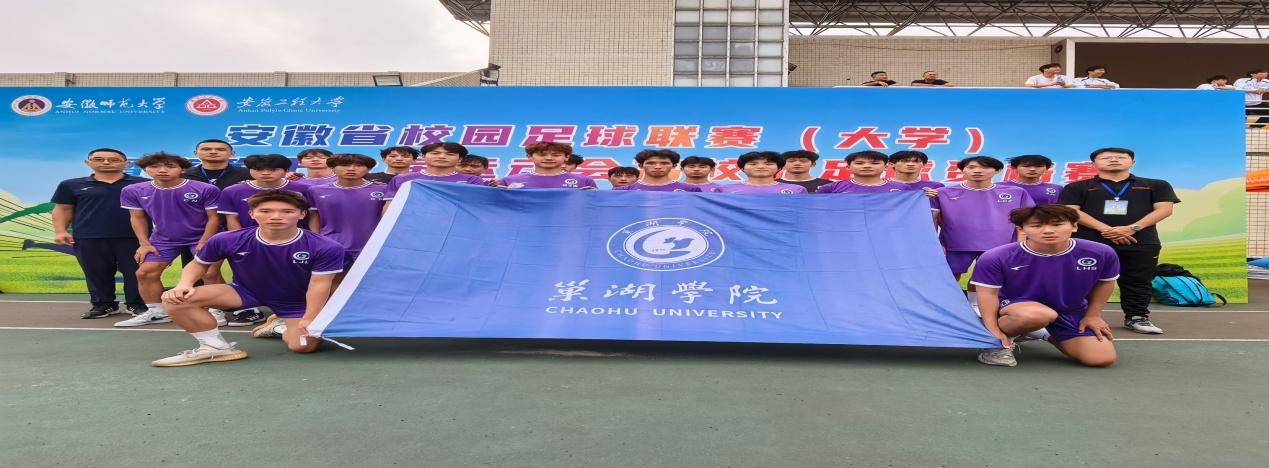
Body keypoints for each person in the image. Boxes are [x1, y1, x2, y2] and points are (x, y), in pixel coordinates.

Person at [152, 190, 345, 367]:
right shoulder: (226, 239)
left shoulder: (326, 246)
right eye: (266, 211)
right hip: (245, 291)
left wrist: (310, 317)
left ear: (302, 215)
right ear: (252, 214)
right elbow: (199, 264)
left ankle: (280, 327)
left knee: (303, 347)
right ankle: (215, 347)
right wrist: (184, 284)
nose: (276, 217)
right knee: (177, 299)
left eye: (287, 212)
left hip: (297, 301)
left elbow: (319, 285)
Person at [971, 205, 1120, 367]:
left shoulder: (1101, 252)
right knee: (1037, 315)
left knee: (1101, 358)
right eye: (1036, 225)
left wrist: (1093, 316)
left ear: (1074, 226)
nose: (1048, 231)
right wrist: (993, 331)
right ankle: (1000, 343)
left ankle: (1040, 332)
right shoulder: (997, 256)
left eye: (1057, 224)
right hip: (1017, 309)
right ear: (1021, 229)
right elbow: (988, 295)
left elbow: (1105, 282)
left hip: (1070, 311)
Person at [1058, 147, 1180, 334]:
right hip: (1091, 242)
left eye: (1121, 157)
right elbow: (1071, 212)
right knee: (1084, 280)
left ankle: (1137, 317)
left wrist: (1133, 228)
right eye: (1106, 158)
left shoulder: (1156, 185)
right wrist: (1106, 229)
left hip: (1140, 241)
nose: (1113, 160)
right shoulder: (1077, 187)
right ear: (1093, 164)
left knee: (1138, 280)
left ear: (1132, 162)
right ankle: (1079, 316)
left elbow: (1164, 210)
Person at [115, 153, 222, 327]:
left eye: (170, 166)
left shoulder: (206, 188)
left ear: (183, 169)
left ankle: (216, 310)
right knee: (144, 273)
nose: (162, 170)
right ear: (145, 169)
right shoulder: (133, 190)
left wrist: (204, 242)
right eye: (155, 166)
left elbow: (214, 217)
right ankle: (157, 312)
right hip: (164, 239)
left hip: (203, 236)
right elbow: (137, 218)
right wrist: (144, 244)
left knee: (210, 273)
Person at [51, 149, 150, 318]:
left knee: (137, 272)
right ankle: (104, 304)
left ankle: (137, 304)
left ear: (127, 164)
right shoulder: (71, 185)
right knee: (96, 272)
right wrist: (60, 231)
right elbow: (63, 209)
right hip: (89, 236)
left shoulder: (144, 184)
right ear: (88, 162)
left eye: (113, 160)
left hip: (135, 238)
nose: (106, 162)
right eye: (99, 159)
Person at [932, 156, 1035, 309]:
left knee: (985, 278)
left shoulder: (1016, 192)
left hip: (1000, 244)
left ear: (998, 170)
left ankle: (976, 306)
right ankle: (947, 307)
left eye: (985, 167)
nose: (978, 171)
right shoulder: (942, 192)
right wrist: (934, 242)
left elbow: (1024, 220)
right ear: (963, 170)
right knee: (950, 276)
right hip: (955, 243)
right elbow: (933, 218)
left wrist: (1021, 243)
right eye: (971, 167)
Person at [306, 154, 385, 289]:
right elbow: (314, 216)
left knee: (373, 284)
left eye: (359, 165)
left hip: (372, 245)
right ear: (332, 168)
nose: (351, 169)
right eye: (344, 165)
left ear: (368, 169)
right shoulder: (316, 190)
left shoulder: (383, 189)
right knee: (334, 284)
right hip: (333, 244)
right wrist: (318, 240)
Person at [218, 154, 309, 231]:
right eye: (259, 169)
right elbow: (232, 218)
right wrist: (239, 239)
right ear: (249, 170)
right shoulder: (231, 191)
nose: (266, 173)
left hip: (297, 237)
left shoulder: (305, 189)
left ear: (287, 170)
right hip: (249, 240)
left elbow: (312, 215)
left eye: (273, 170)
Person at [382, 142, 487, 209]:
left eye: (450, 154)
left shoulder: (472, 180)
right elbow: (390, 207)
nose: (442, 157)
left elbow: (475, 207)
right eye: (435, 153)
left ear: (460, 159)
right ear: (424, 156)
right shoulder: (401, 179)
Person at [499, 142, 598, 190]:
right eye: (542, 155)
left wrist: (595, 195)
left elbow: (595, 207)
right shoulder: (509, 181)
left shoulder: (584, 181)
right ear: (529, 156)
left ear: (566, 157)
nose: (549, 158)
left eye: (556, 155)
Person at [817, 151, 913, 193]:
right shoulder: (831, 188)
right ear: (848, 167)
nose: (867, 166)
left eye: (875, 163)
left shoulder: (902, 188)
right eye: (859, 163)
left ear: (885, 167)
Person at [716, 152, 808, 194]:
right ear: (742, 168)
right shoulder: (723, 190)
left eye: (768, 164)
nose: (760, 167)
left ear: (779, 168)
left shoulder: (797, 190)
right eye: (753, 164)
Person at [614, 150, 701, 192]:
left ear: (674, 166)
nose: (658, 167)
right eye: (651, 163)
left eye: (664, 163)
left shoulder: (691, 189)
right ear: (641, 165)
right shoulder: (622, 191)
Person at [181, 139, 252, 189]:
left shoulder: (248, 174)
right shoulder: (183, 175)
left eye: (220, 150)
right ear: (195, 153)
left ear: (232, 154)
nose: (213, 152)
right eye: (206, 149)